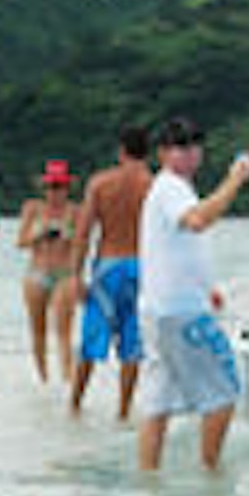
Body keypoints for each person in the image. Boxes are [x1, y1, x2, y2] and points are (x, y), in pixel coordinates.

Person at [136, 117, 249, 472]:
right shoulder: (172, 187)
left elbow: (179, 247)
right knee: (226, 390)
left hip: (159, 308)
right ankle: (210, 474)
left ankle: (149, 480)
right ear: (163, 153)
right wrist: (235, 179)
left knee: (157, 400)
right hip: (179, 311)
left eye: (193, 146)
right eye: (180, 147)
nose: (189, 154)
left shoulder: (168, 188)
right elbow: (198, 220)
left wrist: (208, 289)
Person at [68, 125, 153, 419]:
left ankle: (75, 406)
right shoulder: (154, 186)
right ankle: (124, 412)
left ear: (121, 151)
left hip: (108, 265)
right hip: (142, 267)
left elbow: (83, 232)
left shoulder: (101, 184)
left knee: (92, 339)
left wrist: (75, 276)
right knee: (132, 340)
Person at [16, 159, 80, 384]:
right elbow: (21, 242)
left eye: (60, 187)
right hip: (37, 272)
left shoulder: (74, 211)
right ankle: (43, 380)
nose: (55, 192)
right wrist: (40, 233)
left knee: (64, 333)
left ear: (67, 188)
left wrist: (68, 236)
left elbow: (82, 246)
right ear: (44, 188)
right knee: (38, 330)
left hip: (65, 274)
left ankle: (67, 380)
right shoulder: (32, 208)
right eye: (51, 187)